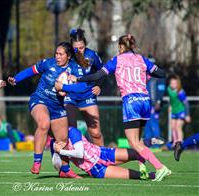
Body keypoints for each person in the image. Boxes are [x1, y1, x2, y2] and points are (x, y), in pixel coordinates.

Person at [56, 34, 171, 181]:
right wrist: (146, 75)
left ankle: (160, 167)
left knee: (133, 142)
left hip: (131, 101)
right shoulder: (142, 59)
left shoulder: (117, 60)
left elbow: (98, 75)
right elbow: (161, 73)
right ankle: (142, 167)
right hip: (145, 100)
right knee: (138, 140)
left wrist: (78, 79)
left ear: (121, 47)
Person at [8, 42, 87, 178]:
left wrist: (64, 87)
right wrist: (16, 79)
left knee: (62, 140)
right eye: (56, 53)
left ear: (68, 56)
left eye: (61, 54)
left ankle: (65, 169)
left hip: (58, 106)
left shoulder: (75, 69)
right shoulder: (48, 63)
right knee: (44, 123)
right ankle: (37, 162)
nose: (57, 56)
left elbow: (83, 87)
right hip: (40, 99)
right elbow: (31, 71)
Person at [52, 127, 155, 180]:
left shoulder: (71, 131)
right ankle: (154, 175)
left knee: (135, 154)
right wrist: (57, 152)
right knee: (139, 176)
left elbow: (79, 153)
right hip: (95, 170)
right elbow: (57, 166)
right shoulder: (54, 142)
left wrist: (61, 151)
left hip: (103, 154)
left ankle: (146, 143)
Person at [65, 28, 104, 146]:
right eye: (76, 48)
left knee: (95, 133)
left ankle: (103, 161)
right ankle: (72, 162)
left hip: (87, 95)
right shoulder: (66, 55)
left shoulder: (91, 55)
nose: (79, 50)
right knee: (72, 131)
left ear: (85, 45)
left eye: (81, 47)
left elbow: (102, 72)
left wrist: (98, 85)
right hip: (70, 96)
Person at [143, 55, 166, 149]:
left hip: (154, 104)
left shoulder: (158, 76)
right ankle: (148, 145)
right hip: (145, 103)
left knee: (153, 123)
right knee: (147, 124)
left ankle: (157, 145)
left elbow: (161, 90)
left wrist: (158, 102)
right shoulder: (144, 75)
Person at [167, 74, 191, 161]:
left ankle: (180, 143)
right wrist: (170, 106)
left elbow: (186, 103)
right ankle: (175, 142)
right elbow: (171, 99)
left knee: (178, 127)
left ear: (178, 84)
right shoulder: (169, 89)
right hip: (174, 111)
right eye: (171, 83)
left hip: (181, 111)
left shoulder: (180, 92)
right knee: (172, 127)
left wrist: (187, 115)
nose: (173, 85)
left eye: (175, 83)